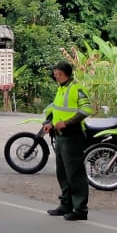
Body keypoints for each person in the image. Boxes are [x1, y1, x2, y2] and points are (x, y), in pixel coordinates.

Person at [44, 61, 94, 221]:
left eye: (55, 71)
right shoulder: (61, 89)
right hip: (60, 136)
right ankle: (66, 204)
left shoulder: (76, 89)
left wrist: (66, 123)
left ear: (62, 72)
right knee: (63, 173)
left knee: (75, 174)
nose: (54, 74)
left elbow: (87, 109)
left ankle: (80, 210)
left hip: (73, 136)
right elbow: (57, 111)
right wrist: (51, 123)